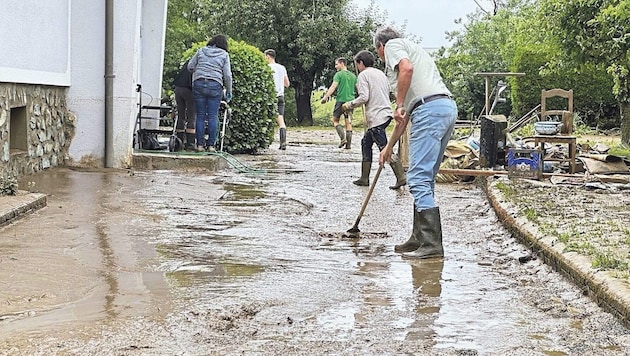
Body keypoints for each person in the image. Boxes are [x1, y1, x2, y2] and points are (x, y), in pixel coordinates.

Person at [375, 26, 457, 259]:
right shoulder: (416, 51)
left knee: (418, 178)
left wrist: (398, 103)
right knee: (426, 178)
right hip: (444, 108)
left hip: (429, 111)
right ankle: (419, 237)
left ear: (380, 47)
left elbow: (405, 69)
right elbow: (404, 120)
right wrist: (388, 148)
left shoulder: (393, 46)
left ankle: (431, 245)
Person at [341, 50, 406, 190]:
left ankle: (401, 177)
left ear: (361, 63)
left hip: (376, 117)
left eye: (357, 64)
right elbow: (390, 93)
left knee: (385, 148)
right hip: (385, 114)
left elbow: (364, 97)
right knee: (365, 143)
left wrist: (349, 104)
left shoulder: (363, 75)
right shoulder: (380, 74)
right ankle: (364, 178)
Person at [188, 34, 233, 152]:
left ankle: (199, 145)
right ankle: (211, 146)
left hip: (199, 83)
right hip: (215, 85)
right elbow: (227, 75)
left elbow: (190, 66)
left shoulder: (201, 50)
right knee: (213, 116)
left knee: (200, 116)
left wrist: (198, 72)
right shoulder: (224, 55)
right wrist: (229, 90)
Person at [320, 57, 357, 149]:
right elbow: (358, 88)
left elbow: (333, 86)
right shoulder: (353, 76)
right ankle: (348, 146)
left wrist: (325, 97)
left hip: (341, 100)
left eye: (336, 64)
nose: (335, 66)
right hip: (351, 101)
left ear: (342, 64)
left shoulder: (338, 74)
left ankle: (343, 138)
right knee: (348, 122)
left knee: (335, 120)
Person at [264, 49, 290, 150]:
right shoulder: (282, 67)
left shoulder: (267, 67)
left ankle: (266, 141)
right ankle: (283, 142)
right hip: (281, 96)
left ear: (268, 56)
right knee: (281, 119)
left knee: (268, 119)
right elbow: (287, 84)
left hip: (271, 96)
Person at [173, 59, 196, 150]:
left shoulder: (189, 61)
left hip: (178, 88)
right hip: (189, 89)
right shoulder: (200, 64)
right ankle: (190, 144)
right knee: (192, 116)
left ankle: (179, 142)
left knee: (181, 115)